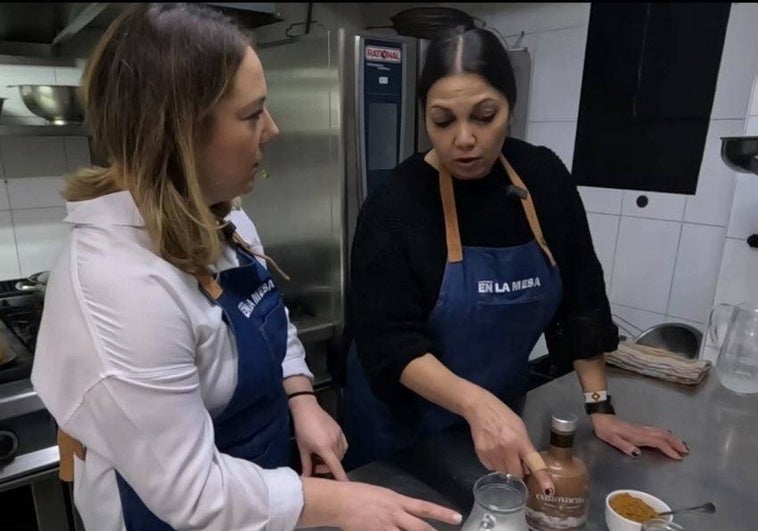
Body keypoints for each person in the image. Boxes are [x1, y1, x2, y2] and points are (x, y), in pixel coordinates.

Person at [31, 4, 463, 530]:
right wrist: (341, 504)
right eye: (253, 113)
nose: (273, 130)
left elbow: (268, 314)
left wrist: (302, 397)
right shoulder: (117, 287)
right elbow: (193, 495)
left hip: (257, 491)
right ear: (178, 132)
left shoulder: (218, 212)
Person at [344, 26, 689, 492]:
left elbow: (581, 298)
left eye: (484, 116)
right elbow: (388, 344)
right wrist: (475, 405)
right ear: (424, 117)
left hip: (501, 418)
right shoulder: (394, 205)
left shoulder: (542, 178)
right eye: (443, 121)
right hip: (401, 432)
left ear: (510, 106)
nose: (464, 139)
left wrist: (601, 409)